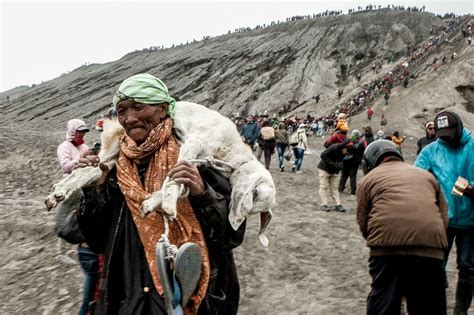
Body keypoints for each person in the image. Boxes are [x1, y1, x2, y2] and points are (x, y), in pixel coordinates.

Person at [77, 73, 246, 314]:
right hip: (130, 297)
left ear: (163, 109)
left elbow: (231, 235)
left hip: (196, 300)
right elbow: (96, 240)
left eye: (138, 107)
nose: (129, 118)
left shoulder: (197, 157)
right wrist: (94, 189)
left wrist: (201, 193)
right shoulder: (113, 165)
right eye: (122, 110)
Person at [357, 140, 448, 315]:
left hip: (387, 250)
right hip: (430, 250)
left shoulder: (368, 180)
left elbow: (363, 220)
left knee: (384, 300)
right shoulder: (426, 176)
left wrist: (377, 241)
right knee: (429, 306)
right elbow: (443, 216)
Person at [415, 111, 474, 315]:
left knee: (468, 267)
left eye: (450, 133)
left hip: (471, 220)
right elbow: (417, 179)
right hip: (442, 219)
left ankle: (460, 310)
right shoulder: (430, 151)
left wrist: (471, 189)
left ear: (458, 128)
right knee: (435, 264)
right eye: (443, 134)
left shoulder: (473, 146)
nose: (447, 138)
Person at [57, 119, 100, 315]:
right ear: (72, 131)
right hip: (74, 189)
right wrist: (80, 160)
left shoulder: (84, 145)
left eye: (83, 133)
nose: (82, 136)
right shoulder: (64, 147)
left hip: (86, 185)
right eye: (79, 132)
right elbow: (66, 167)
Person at [317, 139, 353, 212]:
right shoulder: (334, 147)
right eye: (346, 150)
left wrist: (339, 167)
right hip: (324, 169)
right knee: (323, 187)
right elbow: (323, 155)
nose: (346, 153)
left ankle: (338, 204)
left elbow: (340, 161)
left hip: (334, 170)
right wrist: (333, 165)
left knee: (334, 188)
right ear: (344, 147)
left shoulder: (345, 152)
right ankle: (324, 205)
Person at [339, 130, 365, 197]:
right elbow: (362, 154)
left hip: (345, 160)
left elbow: (341, 149)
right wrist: (359, 161)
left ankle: (340, 189)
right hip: (354, 162)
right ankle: (353, 192)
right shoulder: (361, 144)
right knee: (352, 176)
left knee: (344, 175)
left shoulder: (347, 141)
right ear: (359, 136)